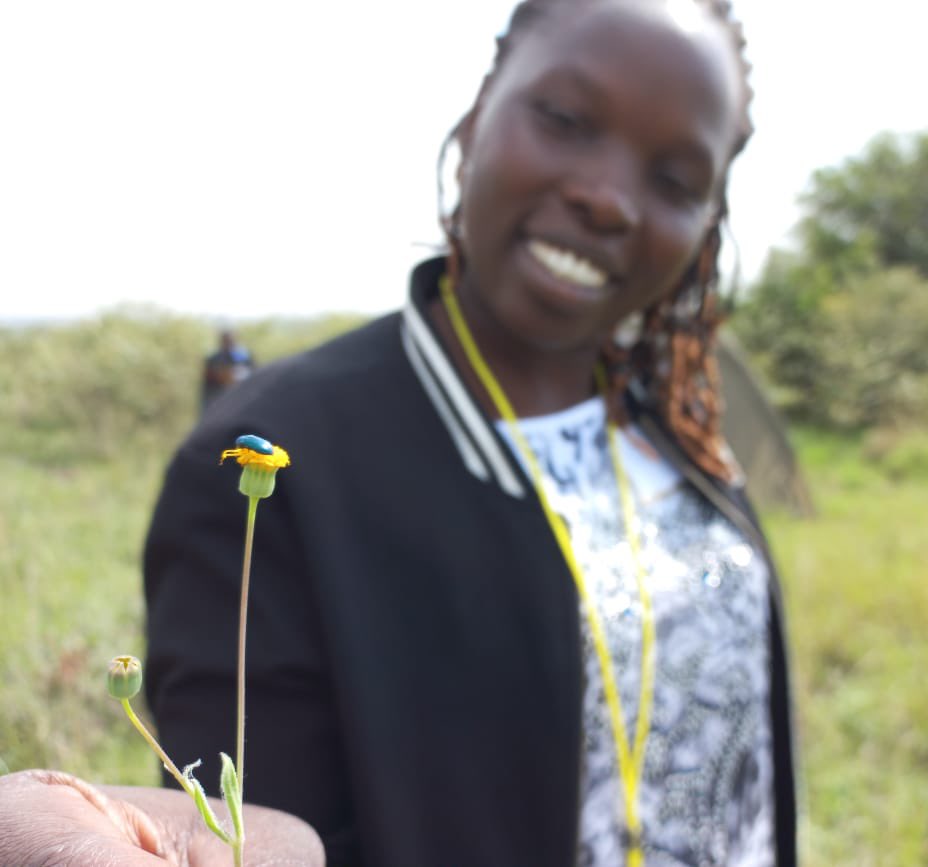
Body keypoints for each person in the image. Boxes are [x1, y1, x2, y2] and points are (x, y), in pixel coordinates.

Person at [0, 1, 798, 864]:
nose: (607, 198)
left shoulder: (676, 431)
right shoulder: (277, 469)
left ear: (710, 219)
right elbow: (254, 838)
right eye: (567, 121)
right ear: (481, 107)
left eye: (675, 180)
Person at [201, 328, 256, 410]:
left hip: (240, 400)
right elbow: (209, 382)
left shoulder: (245, 358)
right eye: (226, 340)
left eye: (231, 340)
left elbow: (253, 375)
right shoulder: (213, 359)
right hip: (218, 400)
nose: (229, 342)